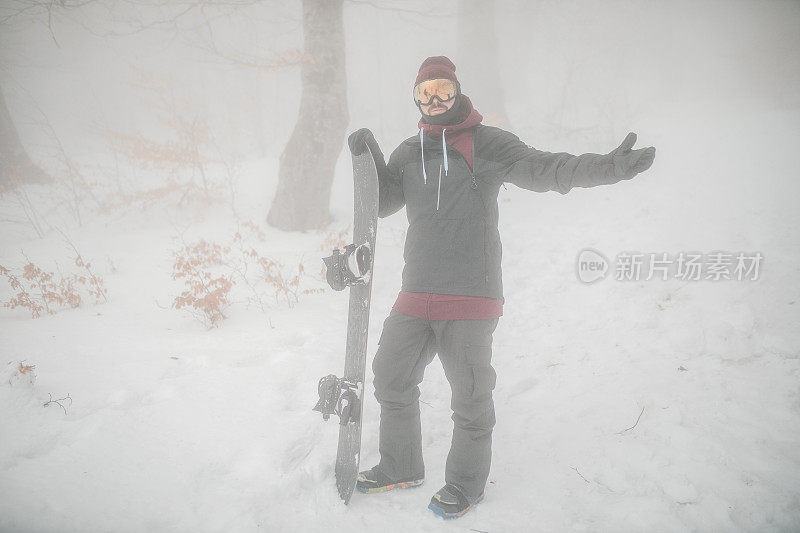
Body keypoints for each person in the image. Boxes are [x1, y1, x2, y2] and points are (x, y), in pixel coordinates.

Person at [346, 56, 655, 519]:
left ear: (458, 93)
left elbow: (549, 169)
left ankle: (466, 485)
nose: (435, 101)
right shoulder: (410, 152)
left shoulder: (487, 143)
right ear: (415, 97)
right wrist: (368, 155)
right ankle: (400, 465)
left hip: (472, 295)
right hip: (416, 292)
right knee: (391, 376)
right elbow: (384, 202)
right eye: (425, 92)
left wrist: (610, 167)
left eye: (443, 91)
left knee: (469, 396)